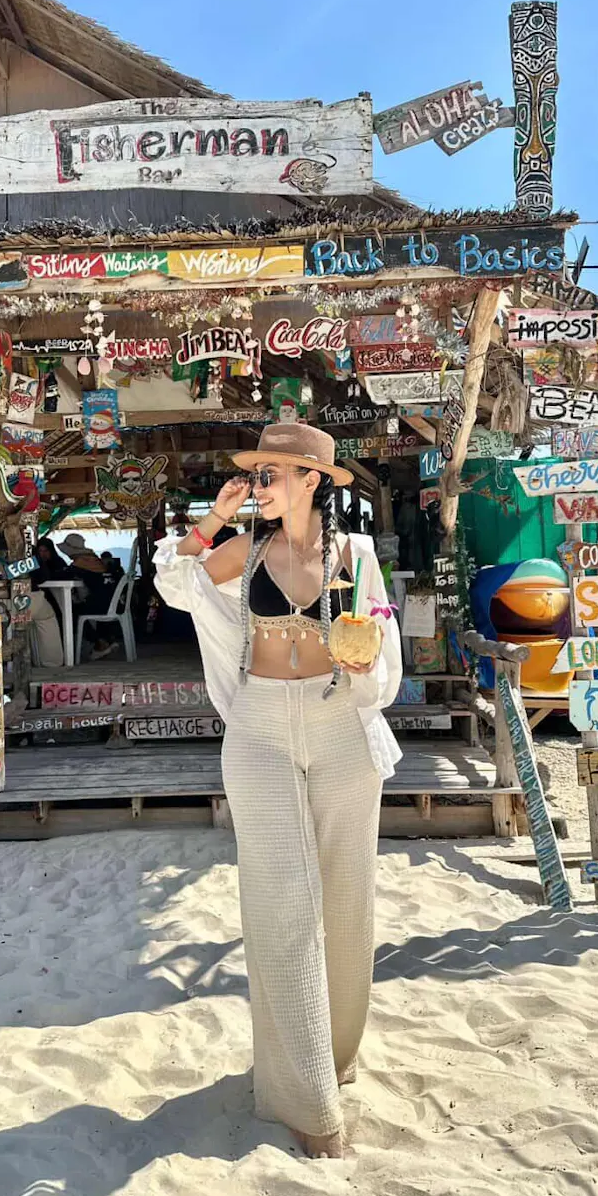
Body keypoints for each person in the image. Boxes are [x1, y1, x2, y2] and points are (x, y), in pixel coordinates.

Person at [153, 423, 402, 1158]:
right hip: (259, 727)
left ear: (312, 480)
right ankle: (308, 1101)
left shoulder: (355, 556)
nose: (258, 485)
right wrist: (216, 516)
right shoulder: (244, 550)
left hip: (340, 727)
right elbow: (174, 581)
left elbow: (382, 645)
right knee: (281, 902)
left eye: (271, 475)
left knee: (347, 898)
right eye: (254, 473)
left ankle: (337, 1053)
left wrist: (367, 661)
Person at [58, 533, 116, 659]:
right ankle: (107, 639)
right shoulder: (94, 559)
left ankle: (99, 642)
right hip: (113, 603)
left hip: (100, 605)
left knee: (71, 612)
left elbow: (62, 575)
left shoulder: (80, 563)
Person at [28, 538, 71, 665]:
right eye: (40, 551)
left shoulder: (57, 562)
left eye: (45, 551)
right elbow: (43, 577)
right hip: (35, 600)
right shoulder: (34, 561)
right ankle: (53, 662)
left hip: (7, 603)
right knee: (48, 617)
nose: (43, 554)